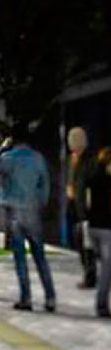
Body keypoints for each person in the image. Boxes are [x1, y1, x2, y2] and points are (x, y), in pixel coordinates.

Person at [0, 127, 56, 312]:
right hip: (33, 210)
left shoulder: (9, 157)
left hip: (15, 212)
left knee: (20, 258)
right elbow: (45, 184)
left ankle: (26, 299)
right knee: (40, 257)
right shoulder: (38, 158)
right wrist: (40, 203)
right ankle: (50, 298)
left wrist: (1, 148)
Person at [66, 127, 98, 289]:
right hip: (75, 208)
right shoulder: (72, 159)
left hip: (87, 209)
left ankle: (90, 276)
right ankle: (89, 273)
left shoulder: (90, 160)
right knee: (80, 242)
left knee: (87, 245)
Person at [87, 148, 111, 318]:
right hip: (106, 230)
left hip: (93, 227)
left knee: (104, 267)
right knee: (106, 270)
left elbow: (88, 203)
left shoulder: (92, 179)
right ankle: (101, 305)